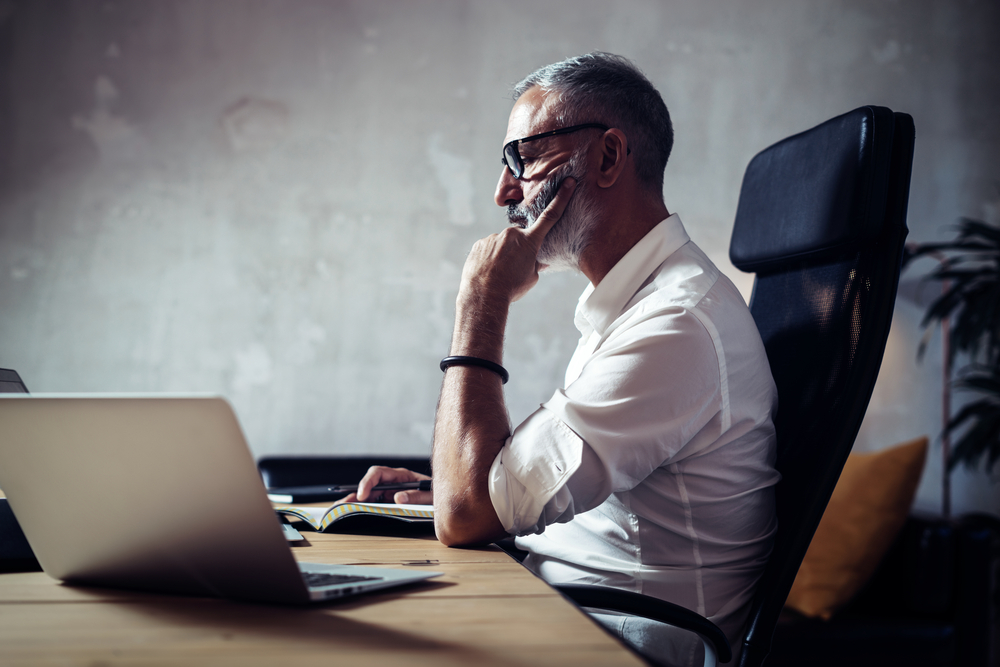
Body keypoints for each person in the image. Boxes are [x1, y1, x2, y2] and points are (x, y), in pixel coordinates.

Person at [342, 52, 779, 666]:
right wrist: (450, 486)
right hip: (564, 611)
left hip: (620, 642)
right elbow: (490, 495)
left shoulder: (676, 322)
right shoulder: (636, 304)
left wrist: (481, 300)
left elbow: (468, 515)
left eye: (522, 158)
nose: (502, 191)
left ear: (606, 157)